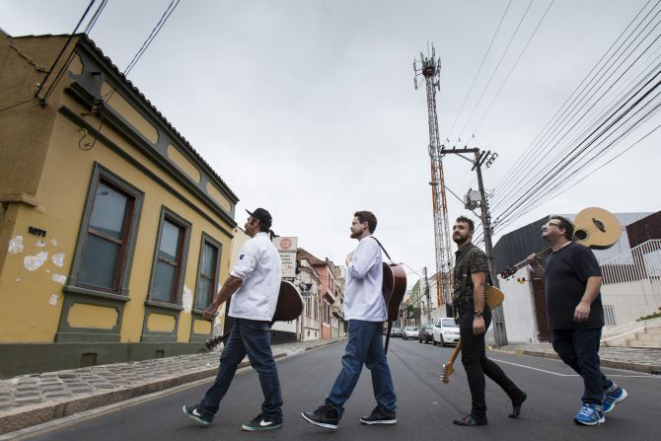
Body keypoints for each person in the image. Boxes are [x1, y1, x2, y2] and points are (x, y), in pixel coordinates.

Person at [182, 208, 284, 432]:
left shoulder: (254, 245)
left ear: (256, 222)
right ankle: (206, 409)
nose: (245, 223)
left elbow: (237, 277)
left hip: (251, 315)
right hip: (249, 316)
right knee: (228, 361)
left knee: (264, 364)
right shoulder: (272, 250)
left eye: (248, 220)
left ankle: (273, 413)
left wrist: (215, 303)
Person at [527, 216, 627, 426]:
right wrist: (536, 265)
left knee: (587, 361)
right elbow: (551, 280)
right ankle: (610, 388)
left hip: (584, 320)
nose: (544, 227)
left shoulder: (578, 250)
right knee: (566, 354)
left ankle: (594, 406)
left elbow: (595, 277)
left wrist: (585, 303)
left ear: (562, 230)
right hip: (561, 321)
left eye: (550, 224)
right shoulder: (553, 257)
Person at [302, 211, 397, 430]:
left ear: (365, 225)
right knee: (377, 362)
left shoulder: (367, 244)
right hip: (371, 313)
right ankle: (386, 409)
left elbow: (359, 271)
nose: (350, 226)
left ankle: (332, 410)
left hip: (363, 313)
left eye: (354, 223)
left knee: (352, 361)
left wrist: (349, 260)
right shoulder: (371, 246)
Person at [451, 216, 526, 427]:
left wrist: (476, 316)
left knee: (471, 361)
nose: (457, 230)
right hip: (467, 311)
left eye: (462, 227)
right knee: (480, 360)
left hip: (475, 311)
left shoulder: (474, 254)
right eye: (455, 227)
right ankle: (516, 394)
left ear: (471, 232)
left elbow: (479, 286)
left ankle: (479, 414)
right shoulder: (461, 255)